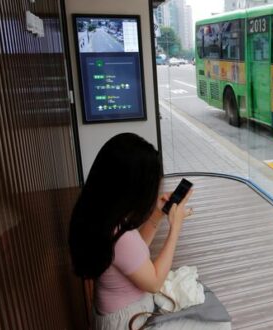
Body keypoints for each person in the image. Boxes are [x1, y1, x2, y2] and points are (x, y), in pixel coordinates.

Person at [68, 133, 193, 329]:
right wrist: (175, 228)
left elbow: (132, 257)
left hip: (114, 315)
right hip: (128, 321)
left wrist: (156, 216)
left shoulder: (100, 214)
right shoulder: (119, 234)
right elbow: (153, 283)